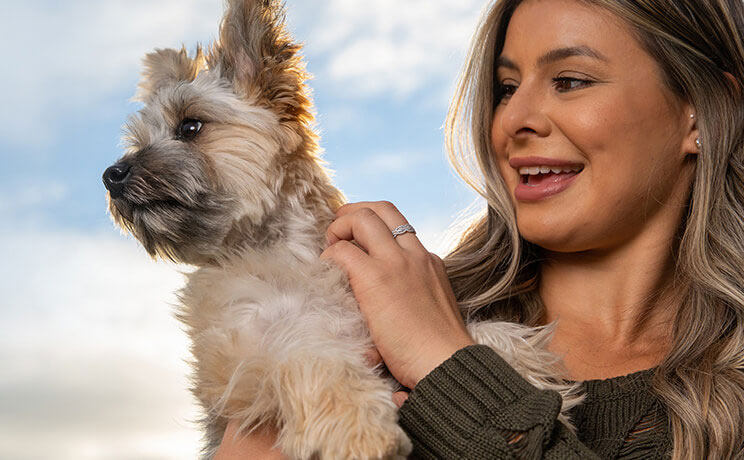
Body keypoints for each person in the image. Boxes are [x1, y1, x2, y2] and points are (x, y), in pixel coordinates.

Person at [214, 0, 744, 458]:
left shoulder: (731, 389)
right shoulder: (370, 310)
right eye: (507, 88)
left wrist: (445, 365)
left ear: (701, 110)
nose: (514, 119)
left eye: (570, 81)